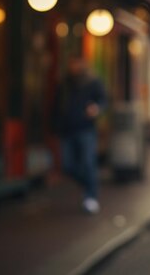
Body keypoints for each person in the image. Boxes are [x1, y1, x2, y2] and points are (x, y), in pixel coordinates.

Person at [54, 57, 107, 214]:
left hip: (86, 129)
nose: (74, 67)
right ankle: (89, 183)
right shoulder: (64, 83)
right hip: (67, 130)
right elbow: (57, 105)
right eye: (72, 64)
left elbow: (103, 100)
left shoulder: (93, 82)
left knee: (88, 162)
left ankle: (91, 196)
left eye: (77, 63)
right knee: (67, 165)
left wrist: (96, 109)